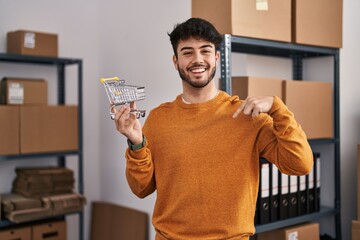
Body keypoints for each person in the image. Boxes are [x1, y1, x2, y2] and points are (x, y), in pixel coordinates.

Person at [112, 18, 313, 240]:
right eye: (187, 52)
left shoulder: (249, 117)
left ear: (216, 57)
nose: (197, 59)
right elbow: (141, 189)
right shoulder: (159, 119)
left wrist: (277, 108)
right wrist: (136, 142)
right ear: (175, 61)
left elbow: (300, 164)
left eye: (205, 51)